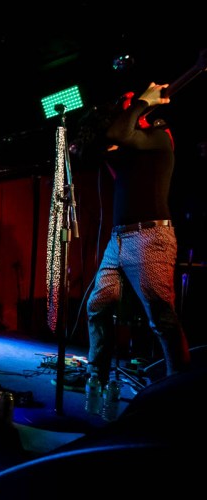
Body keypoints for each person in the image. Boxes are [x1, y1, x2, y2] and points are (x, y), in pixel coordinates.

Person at [83, 82, 190, 386]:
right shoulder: (129, 150)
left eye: (130, 110)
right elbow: (102, 143)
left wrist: (143, 101)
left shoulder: (159, 138)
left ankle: (177, 387)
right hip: (119, 239)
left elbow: (119, 133)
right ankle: (96, 377)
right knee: (98, 305)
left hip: (150, 237)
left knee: (161, 317)